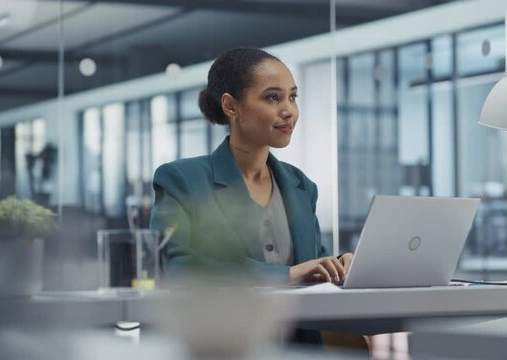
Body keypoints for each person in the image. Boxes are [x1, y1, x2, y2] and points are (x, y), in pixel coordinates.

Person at [149, 48, 354, 343]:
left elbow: (310, 262)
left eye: (292, 97)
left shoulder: (300, 185)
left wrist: (338, 264)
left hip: (298, 348)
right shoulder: (181, 179)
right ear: (231, 106)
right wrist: (287, 276)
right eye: (273, 97)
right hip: (222, 345)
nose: (289, 111)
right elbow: (174, 266)